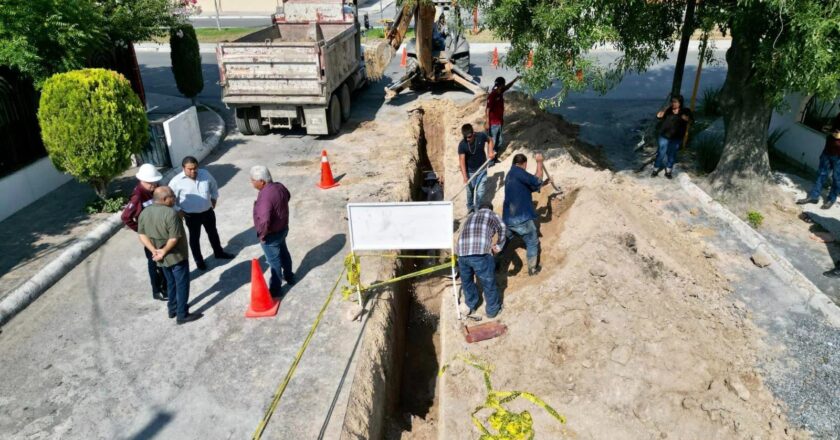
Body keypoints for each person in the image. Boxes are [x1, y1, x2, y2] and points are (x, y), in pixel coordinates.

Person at [138, 186, 202, 325]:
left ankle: (172, 308)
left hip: (161, 258)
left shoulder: (145, 212)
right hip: (176, 256)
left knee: (170, 283)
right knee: (182, 284)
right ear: (165, 199)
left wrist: (154, 251)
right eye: (172, 196)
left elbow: (141, 235)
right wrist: (164, 251)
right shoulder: (170, 213)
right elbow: (174, 238)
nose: (175, 198)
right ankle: (182, 314)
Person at [169, 156, 234, 270]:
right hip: (191, 215)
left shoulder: (205, 174)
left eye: (195, 168)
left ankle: (219, 252)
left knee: (213, 233)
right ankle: (199, 261)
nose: (193, 171)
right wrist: (178, 210)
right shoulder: (176, 182)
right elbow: (170, 199)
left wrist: (214, 198)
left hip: (208, 212)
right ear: (183, 168)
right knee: (195, 238)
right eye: (190, 169)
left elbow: (213, 185)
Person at [122, 163, 167, 301]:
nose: (154, 185)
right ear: (142, 181)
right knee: (154, 263)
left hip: (161, 233)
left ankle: (166, 285)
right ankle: (157, 290)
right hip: (150, 237)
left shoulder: (155, 189)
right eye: (150, 183)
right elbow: (125, 217)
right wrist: (141, 231)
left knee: (165, 260)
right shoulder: (138, 195)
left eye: (155, 182)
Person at [250, 166, 296, 294]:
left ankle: (275, 289)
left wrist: (262, 235)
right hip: (282, 229)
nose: (252, 182)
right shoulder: (279, 186)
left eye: (253, 180)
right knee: (284, 253)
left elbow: (264, 220)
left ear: (262, 181)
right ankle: (289, 276)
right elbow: (288, 196)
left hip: (271, 234)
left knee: (274, 262)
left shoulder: (265, 196)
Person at [457, 203, 506, 318]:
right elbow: (502, 227)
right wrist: (499, 246)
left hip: (462, 252)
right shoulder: (491, 214)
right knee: (488, 281)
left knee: (467, 281)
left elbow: (463, 232)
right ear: (490, 208)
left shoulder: (471, 216)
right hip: (480, 252)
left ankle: (470, 305)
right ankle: (492, 310)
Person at [503, 153, 548, 276]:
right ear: (524, 164)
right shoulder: (520, 172)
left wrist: (543, 184)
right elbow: (537, 180)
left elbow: (529, 186)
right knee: (532, 241)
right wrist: (539, 162)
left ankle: (496, 264)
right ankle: (533, 270)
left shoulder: (510, 174)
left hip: (508, 219)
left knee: (504, 241)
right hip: (521, 218)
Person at [652, 94, 693, 179]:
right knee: (661, 153)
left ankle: (668, 171)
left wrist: (684, 117)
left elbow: (691, 120)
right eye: (672, 101)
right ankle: (655, 169)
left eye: (675, 102)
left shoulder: (685, 110)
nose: (673, 103)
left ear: (680, 103)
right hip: (664, 136)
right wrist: (666, 108)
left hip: (676, 138)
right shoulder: (668, 110)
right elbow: (658, 116)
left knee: (672, 154)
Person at [798, 128, 840, 209]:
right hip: (828, 151)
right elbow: (832, 128)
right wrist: (831, 131)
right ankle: (814, 196)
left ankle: (831, 199)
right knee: (821, 174)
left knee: (837, 179)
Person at [459, 123, 495, 213]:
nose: (468, 139)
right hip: (470, 171)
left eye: (469, 137)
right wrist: (465, 176)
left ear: (473, 133)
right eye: (465, 137)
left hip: (482, 169)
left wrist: (490, 152)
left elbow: (490, 140)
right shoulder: (462, 145)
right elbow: (462, 161)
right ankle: (470, 208)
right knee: (470, 191)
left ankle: (478, 209)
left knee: (480, 191)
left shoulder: (481, 136)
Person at [485, 76, 520, 157]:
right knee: (493, 142)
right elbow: (488, 109)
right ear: (501, 85)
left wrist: (514, 80)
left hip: (499, 122)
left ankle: (494, 156)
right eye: (503, 85)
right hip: (493, 123)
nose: (504, 87)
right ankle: (490, 161)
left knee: (499, 141)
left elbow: (507, 87)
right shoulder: (493, 95)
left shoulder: (499, 92)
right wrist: (487, 122)